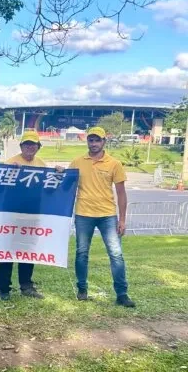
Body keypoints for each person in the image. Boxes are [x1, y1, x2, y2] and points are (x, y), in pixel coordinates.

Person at [69, 127, 135, 307]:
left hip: (107, 215)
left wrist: (122, 220)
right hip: (84, 214)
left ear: (104, 142)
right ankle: (82, 289)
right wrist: (59, 172)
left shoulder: (114, 163)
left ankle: (122, 294)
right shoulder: (77, 162)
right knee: (82, 253)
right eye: (91, 140)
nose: (94, 143)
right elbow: (66, 185)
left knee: (116, 254)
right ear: (87, 141)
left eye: (97, 140)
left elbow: (121, 193)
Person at [0, 130, 46, 301]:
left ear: (38, 147)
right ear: (21, 146)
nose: (30, 147)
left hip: (32, 214)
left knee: (27, 251)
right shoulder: (10, 163)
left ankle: (26, 286)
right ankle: (4, 288)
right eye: (26, 144)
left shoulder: (41, 165)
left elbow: (49, 188)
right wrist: (11, 172)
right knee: (7, 251)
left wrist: (60, 173)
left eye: (33, 144)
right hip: (11, 214)